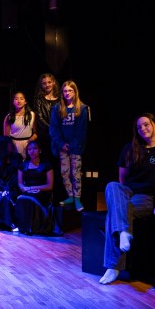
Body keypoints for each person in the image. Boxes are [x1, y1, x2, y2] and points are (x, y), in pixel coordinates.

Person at [98, 113, 155, 285]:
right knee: (112, 185)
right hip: (128, 191)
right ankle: (123, 232)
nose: (142, 129)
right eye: (139, 127)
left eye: (146, 125)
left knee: (113, 216)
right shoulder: (130, 148)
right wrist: (121, 201)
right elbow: (122, 178)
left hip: (147, 197)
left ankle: (113, 266)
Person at [48, 79, 89, 211]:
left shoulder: (82, 108)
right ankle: (70, 195)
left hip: (75, 147)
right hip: (62, 147)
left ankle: (77, 198)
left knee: (75, 172)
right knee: (65, 172)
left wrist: (73, 145)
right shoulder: (57, 108)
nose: (67, 93)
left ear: (75, 92)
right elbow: (53, 129)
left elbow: (81, 130)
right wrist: (61, 144)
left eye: (70, 90)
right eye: (65, 91)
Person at [13, 139, 57, 235]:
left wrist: (32, 188)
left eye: (35, 149)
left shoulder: (46, 165)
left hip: (42, 192)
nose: (32, 151)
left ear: (40, 150)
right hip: (27, 191)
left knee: (31, 198)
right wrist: (24, 188)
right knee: (21, 198)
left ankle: (32, 226)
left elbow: (50, 186)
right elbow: (20, 183)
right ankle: (22, 225)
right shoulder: (23, 165)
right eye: (29, 149)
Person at [32, 73, 60, 161]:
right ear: (41, 85)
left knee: (59, 161)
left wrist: (58, 131)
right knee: (46, 161)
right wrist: (51, 129)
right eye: (44, 83)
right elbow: (39, 117)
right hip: (45, 135)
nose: (47, 85)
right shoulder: (38, 99)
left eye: (49, 82)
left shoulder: (60, 98)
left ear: (53, 82)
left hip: (59, 135)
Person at [2, 91, 37, 159]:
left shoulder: (32, 115)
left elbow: (35, 133)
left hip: (28, 145)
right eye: (16, 99)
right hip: (14, 145)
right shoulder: (9, 117)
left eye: (21, 98)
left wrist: (32, 138)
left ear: (25, 101)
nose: (19, 101)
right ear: (13, 102)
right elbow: (6, 136)